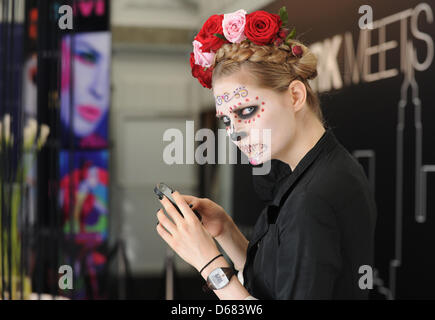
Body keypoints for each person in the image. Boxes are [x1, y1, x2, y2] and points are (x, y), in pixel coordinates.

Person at [155, 8, 377, 300]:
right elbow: (272, 281)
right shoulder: (306, 173)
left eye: (246, 111)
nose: (235, 132)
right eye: (226, 120)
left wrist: (209, 263)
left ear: (295, 96)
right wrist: (225, 230)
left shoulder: (314, 197)